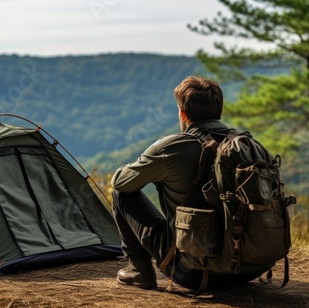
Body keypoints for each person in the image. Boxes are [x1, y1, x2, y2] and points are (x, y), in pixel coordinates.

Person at [111, 76, 258, 291]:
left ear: (183, 113)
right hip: (248, 269)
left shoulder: (171, 148)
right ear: (219, 112)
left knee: (120, 194)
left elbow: (121, 182)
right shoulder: (248, 145)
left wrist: (154, 150)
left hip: (193, 273)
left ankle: (139, 270)